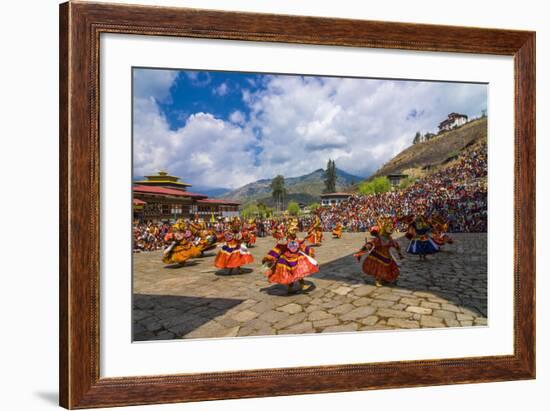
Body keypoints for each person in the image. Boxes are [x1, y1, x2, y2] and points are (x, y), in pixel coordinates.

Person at [262, 227, 318, 294]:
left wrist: (309, 251)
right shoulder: (285, 242)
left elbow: (302, 244)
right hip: (286, 260)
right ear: (289, 234)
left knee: (298, 272)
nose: (294, 234)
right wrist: (270, 257)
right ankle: (291, 288)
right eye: (293, 233)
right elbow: (278, 249)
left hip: (296, 258)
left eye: (294, 233)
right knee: (290, 274)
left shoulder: (296, 240)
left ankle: (301, 285)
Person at [354, 217, 403, 287]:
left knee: (390, 267)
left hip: (387, 256)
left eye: (392, 226)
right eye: (389, 226)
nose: (391, 228)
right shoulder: (380, 238)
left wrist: (399, 253)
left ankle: (384, 278)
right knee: (379, 269)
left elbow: (395, 245)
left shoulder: (389, 238)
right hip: (378, 255)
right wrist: (362, 251)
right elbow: (372, 243)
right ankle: (378, 281)